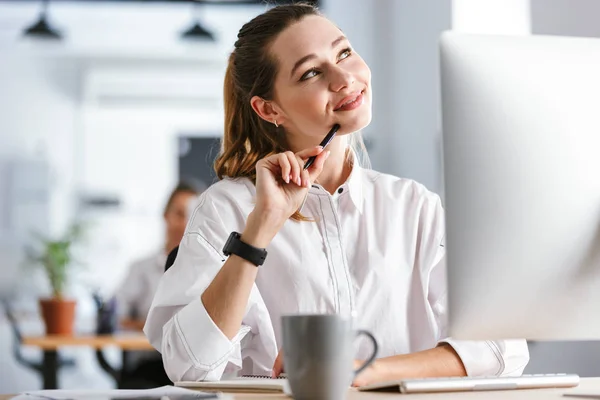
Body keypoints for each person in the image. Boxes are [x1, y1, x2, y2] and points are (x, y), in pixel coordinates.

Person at [144, 4, 529, 387]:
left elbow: (502, 347)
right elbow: (190, 366)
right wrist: (259, 231)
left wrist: (366, 371)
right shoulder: (226, 209)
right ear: (269, 108)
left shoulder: (414, 206)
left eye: (344, 52)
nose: (344, 78)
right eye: (311, 72)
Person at [115, 181, 199, 388]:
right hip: (149, 365)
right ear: (166, 216)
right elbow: (115, 314)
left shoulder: (210, 273)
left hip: (194, 369)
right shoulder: (141, 268)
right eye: (179, 214)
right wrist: (148, 327)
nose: (185, 223)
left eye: (192, 215)